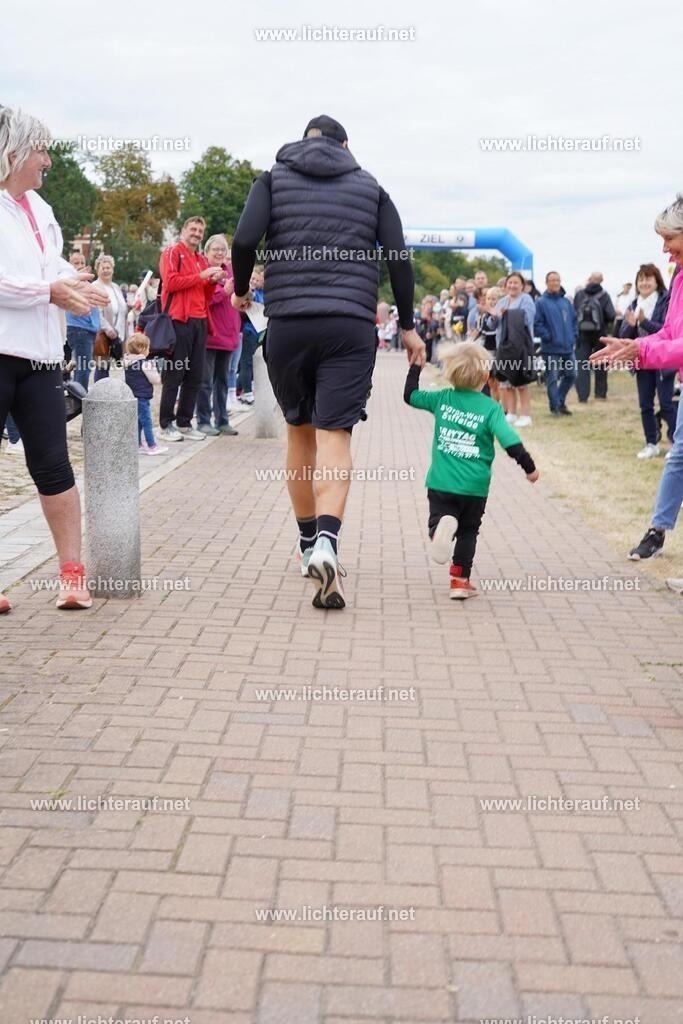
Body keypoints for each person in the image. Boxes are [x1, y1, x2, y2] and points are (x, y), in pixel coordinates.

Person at [231, 114, 425, 609]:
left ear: (303, 142)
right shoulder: (371, 187)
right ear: (345, 145)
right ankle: (328, 541)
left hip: (290, 322)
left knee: (299, 431)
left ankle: (304, 544)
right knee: (334, 434)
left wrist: (238, 290)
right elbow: (399, 257)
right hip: (349, 324)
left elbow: (243, 240)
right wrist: (406, 325)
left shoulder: (272, 180)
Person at [0, 104, 109, 613]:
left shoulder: (38, 209)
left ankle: (72, 575)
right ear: (15, 150)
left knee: (54, 466)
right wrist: (51, 292)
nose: (47, 160)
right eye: (41, 149)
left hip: (42, 360)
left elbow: (51, 265)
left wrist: (79, 284)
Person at [588, 195, 683, 580]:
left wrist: (639, 349)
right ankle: (657, 531)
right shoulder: (678, 277)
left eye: (670, 239)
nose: (664, 249)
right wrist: (635, 349)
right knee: (678, 458)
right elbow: (671, 334)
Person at [404, 341, 538, 598]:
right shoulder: (491, 409)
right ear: (486, 377)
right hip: (474, 487)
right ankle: (459, 581)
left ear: (450, 373)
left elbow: (410, 396)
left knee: (442, 520)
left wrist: (415, 369)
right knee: (468, 532)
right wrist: (529, 468)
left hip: (441, 482)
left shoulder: (442, 398)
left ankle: (439, 529)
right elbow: (510, 442)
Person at [158, 216, 225, 443]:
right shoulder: (171, 253)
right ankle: (166, 424)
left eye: (200, 230)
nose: (196, 233)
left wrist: (213, 280)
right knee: (174, 374)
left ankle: (185, 422)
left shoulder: (200, 258)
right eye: (193, 229)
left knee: (195, 375)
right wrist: (201, 276)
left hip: (200, 321)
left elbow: (204, 294)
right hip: (179, 320)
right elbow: (171, 283)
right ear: (183, 230)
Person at [620, 263, 674, 459]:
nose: (644, 282)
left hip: (663, 360)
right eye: (641, 279)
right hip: (642, 361)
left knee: (667, 403)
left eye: (648, 278)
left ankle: (676, 444)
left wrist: (644, 322)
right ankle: (651, 443)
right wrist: (632, 326)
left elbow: (667, 332)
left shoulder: (666, 301)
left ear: (657, 280)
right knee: (645, 405)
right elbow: (623, 335)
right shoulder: (633, 304)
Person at [196, 234, 240, 436]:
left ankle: (222, 419)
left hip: (229, 335)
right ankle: (204, 420)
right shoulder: (204, 272)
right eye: (216, 249)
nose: (220, 253)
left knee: (222, 380)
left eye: (223, 249)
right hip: (210, 335)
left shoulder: (230, 271)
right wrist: (225, 292)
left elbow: (237, 296)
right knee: (205, 381)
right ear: (207, 252)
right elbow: (205, 299)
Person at [494, 272, 536, 427]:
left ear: (522, 286)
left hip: (521, 347)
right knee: (506, 381)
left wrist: (505, 315)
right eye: (509, 283)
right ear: (505, 286)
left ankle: (526, 415)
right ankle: (511, 413)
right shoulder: (502, 301)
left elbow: (526, 319)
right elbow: (494, 325)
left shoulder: (526, 299)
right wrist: (492, 317)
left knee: (521, 382)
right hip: (504, 347)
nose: (512, 285)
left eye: (516, 283)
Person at [534, 271, 578, 416]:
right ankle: (555, 408)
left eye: (557, 280)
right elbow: (537, 324)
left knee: (572, 375)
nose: (555, 283)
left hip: (567, 347)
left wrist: (574, 336)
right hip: (550, 348)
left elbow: (573, 321)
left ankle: (559, 401)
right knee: (552, 379)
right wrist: (549, 337)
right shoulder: (540, 302)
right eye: (552, 280)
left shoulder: (566, 302)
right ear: (547, 283)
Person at [123, 333, 168, 455]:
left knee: (138, 421)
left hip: (133, 395)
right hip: (142, 396)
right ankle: (152, 445)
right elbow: (155, 380)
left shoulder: (127, 362)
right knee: (147, 421)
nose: (149, 350)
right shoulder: (145, 363)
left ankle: (138, 445)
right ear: (142, 349)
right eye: (148, 348)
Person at [574, 271, 615, 401]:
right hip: (600, 335)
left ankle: (583, 395)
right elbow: (611, 315)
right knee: (601, 363)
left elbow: (574, 312)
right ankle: (600, 393)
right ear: (601, 281)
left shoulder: (580, 294)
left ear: (589, 279)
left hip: (582, 334)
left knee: (582, 364)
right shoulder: (605, 296)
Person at [65, 250, 100, 392]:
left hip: (88, 330)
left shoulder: (86, 283)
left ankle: (78, 397)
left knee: (84, 367)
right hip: (79, 329)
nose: (80, 265)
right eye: (76, 263)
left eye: (82, 262)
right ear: (69, 265)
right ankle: (79, 399)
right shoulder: (71, 282)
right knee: (83, 368)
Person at [93, 253, 127, 382]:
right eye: (103, 267)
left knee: (109, 367)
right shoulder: (95, 287)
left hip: (118, 333)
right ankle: (98, 394)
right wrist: (108, 329)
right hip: (103, 333)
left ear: (113, 269)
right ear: (98, 269)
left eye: (108, 267)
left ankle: (106, 392)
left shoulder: (116, 287)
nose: (106, 270)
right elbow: (96, 311)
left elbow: (122, 309)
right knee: (102, 366)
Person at [237, 265, 263, 406]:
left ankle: (240, 387)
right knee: (246, 362)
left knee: (250, 362)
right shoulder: (247, 292)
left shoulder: (260, 292)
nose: (253, 281)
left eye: (256, 279)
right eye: (252, 278)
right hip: (248, 330)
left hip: (259, 331)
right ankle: (246, 391)